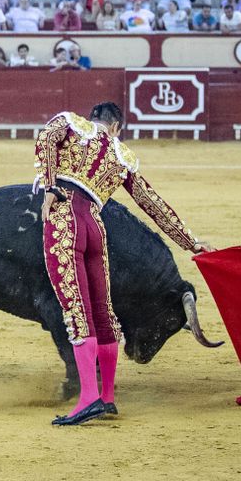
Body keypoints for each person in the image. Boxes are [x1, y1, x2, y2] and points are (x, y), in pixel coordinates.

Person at [33, 102, 216, 426]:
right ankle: (106, 397)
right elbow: (152, 203)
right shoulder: (122, 156)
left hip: (64, 219)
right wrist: (192, 242)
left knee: (79, 311)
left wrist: (48, 186)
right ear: (117, 126)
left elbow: (46, 137)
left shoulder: (71, 124)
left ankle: (88, 398)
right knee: (103, 313)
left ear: (95, 118)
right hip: (95, 227)